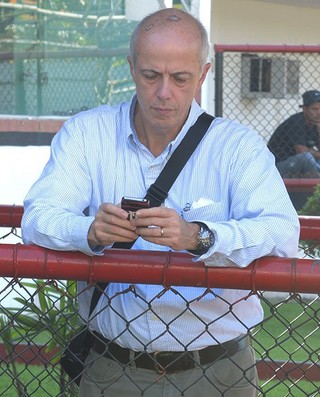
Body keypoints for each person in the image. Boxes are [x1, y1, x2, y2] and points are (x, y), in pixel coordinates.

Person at [21, 8, 300, 397]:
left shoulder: (237, 147)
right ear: (132, 68)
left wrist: (199, 237)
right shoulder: (87, 133)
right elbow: (37, 217)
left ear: (202, 76)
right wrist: (88, 230)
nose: (164, 92)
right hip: (113, 364)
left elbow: (283, 233)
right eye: (151, 76)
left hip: (217, 368)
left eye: (180, 78)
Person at [268, 90, 320, 178]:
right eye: (315, 109)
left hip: (295, 166)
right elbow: (302, 152)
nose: (319, 113)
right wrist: (314, 152)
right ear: (305, 109)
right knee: (306, 158)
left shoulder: (315, 123)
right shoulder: (297, 121)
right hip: (277, 166)